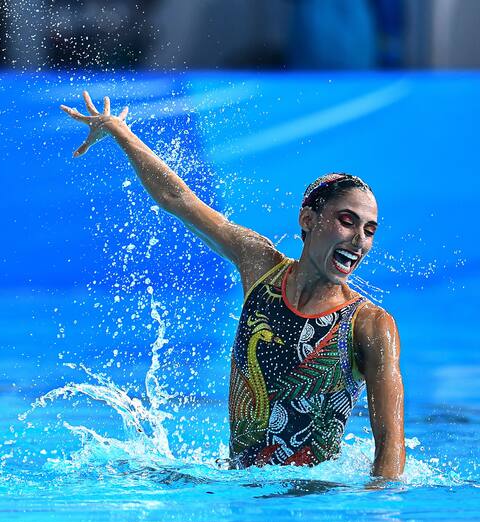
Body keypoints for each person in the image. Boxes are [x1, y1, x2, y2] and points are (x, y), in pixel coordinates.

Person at [61, 91, 405, 479]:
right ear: (308, 219)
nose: (360, 239)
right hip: (239, 487)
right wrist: (119, 131)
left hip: (314, 502)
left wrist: (381, 520)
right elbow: (178, 199)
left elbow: (390, 445)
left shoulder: (370, 325)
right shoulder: (261, 266)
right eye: (347, 220)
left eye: (370, 230)